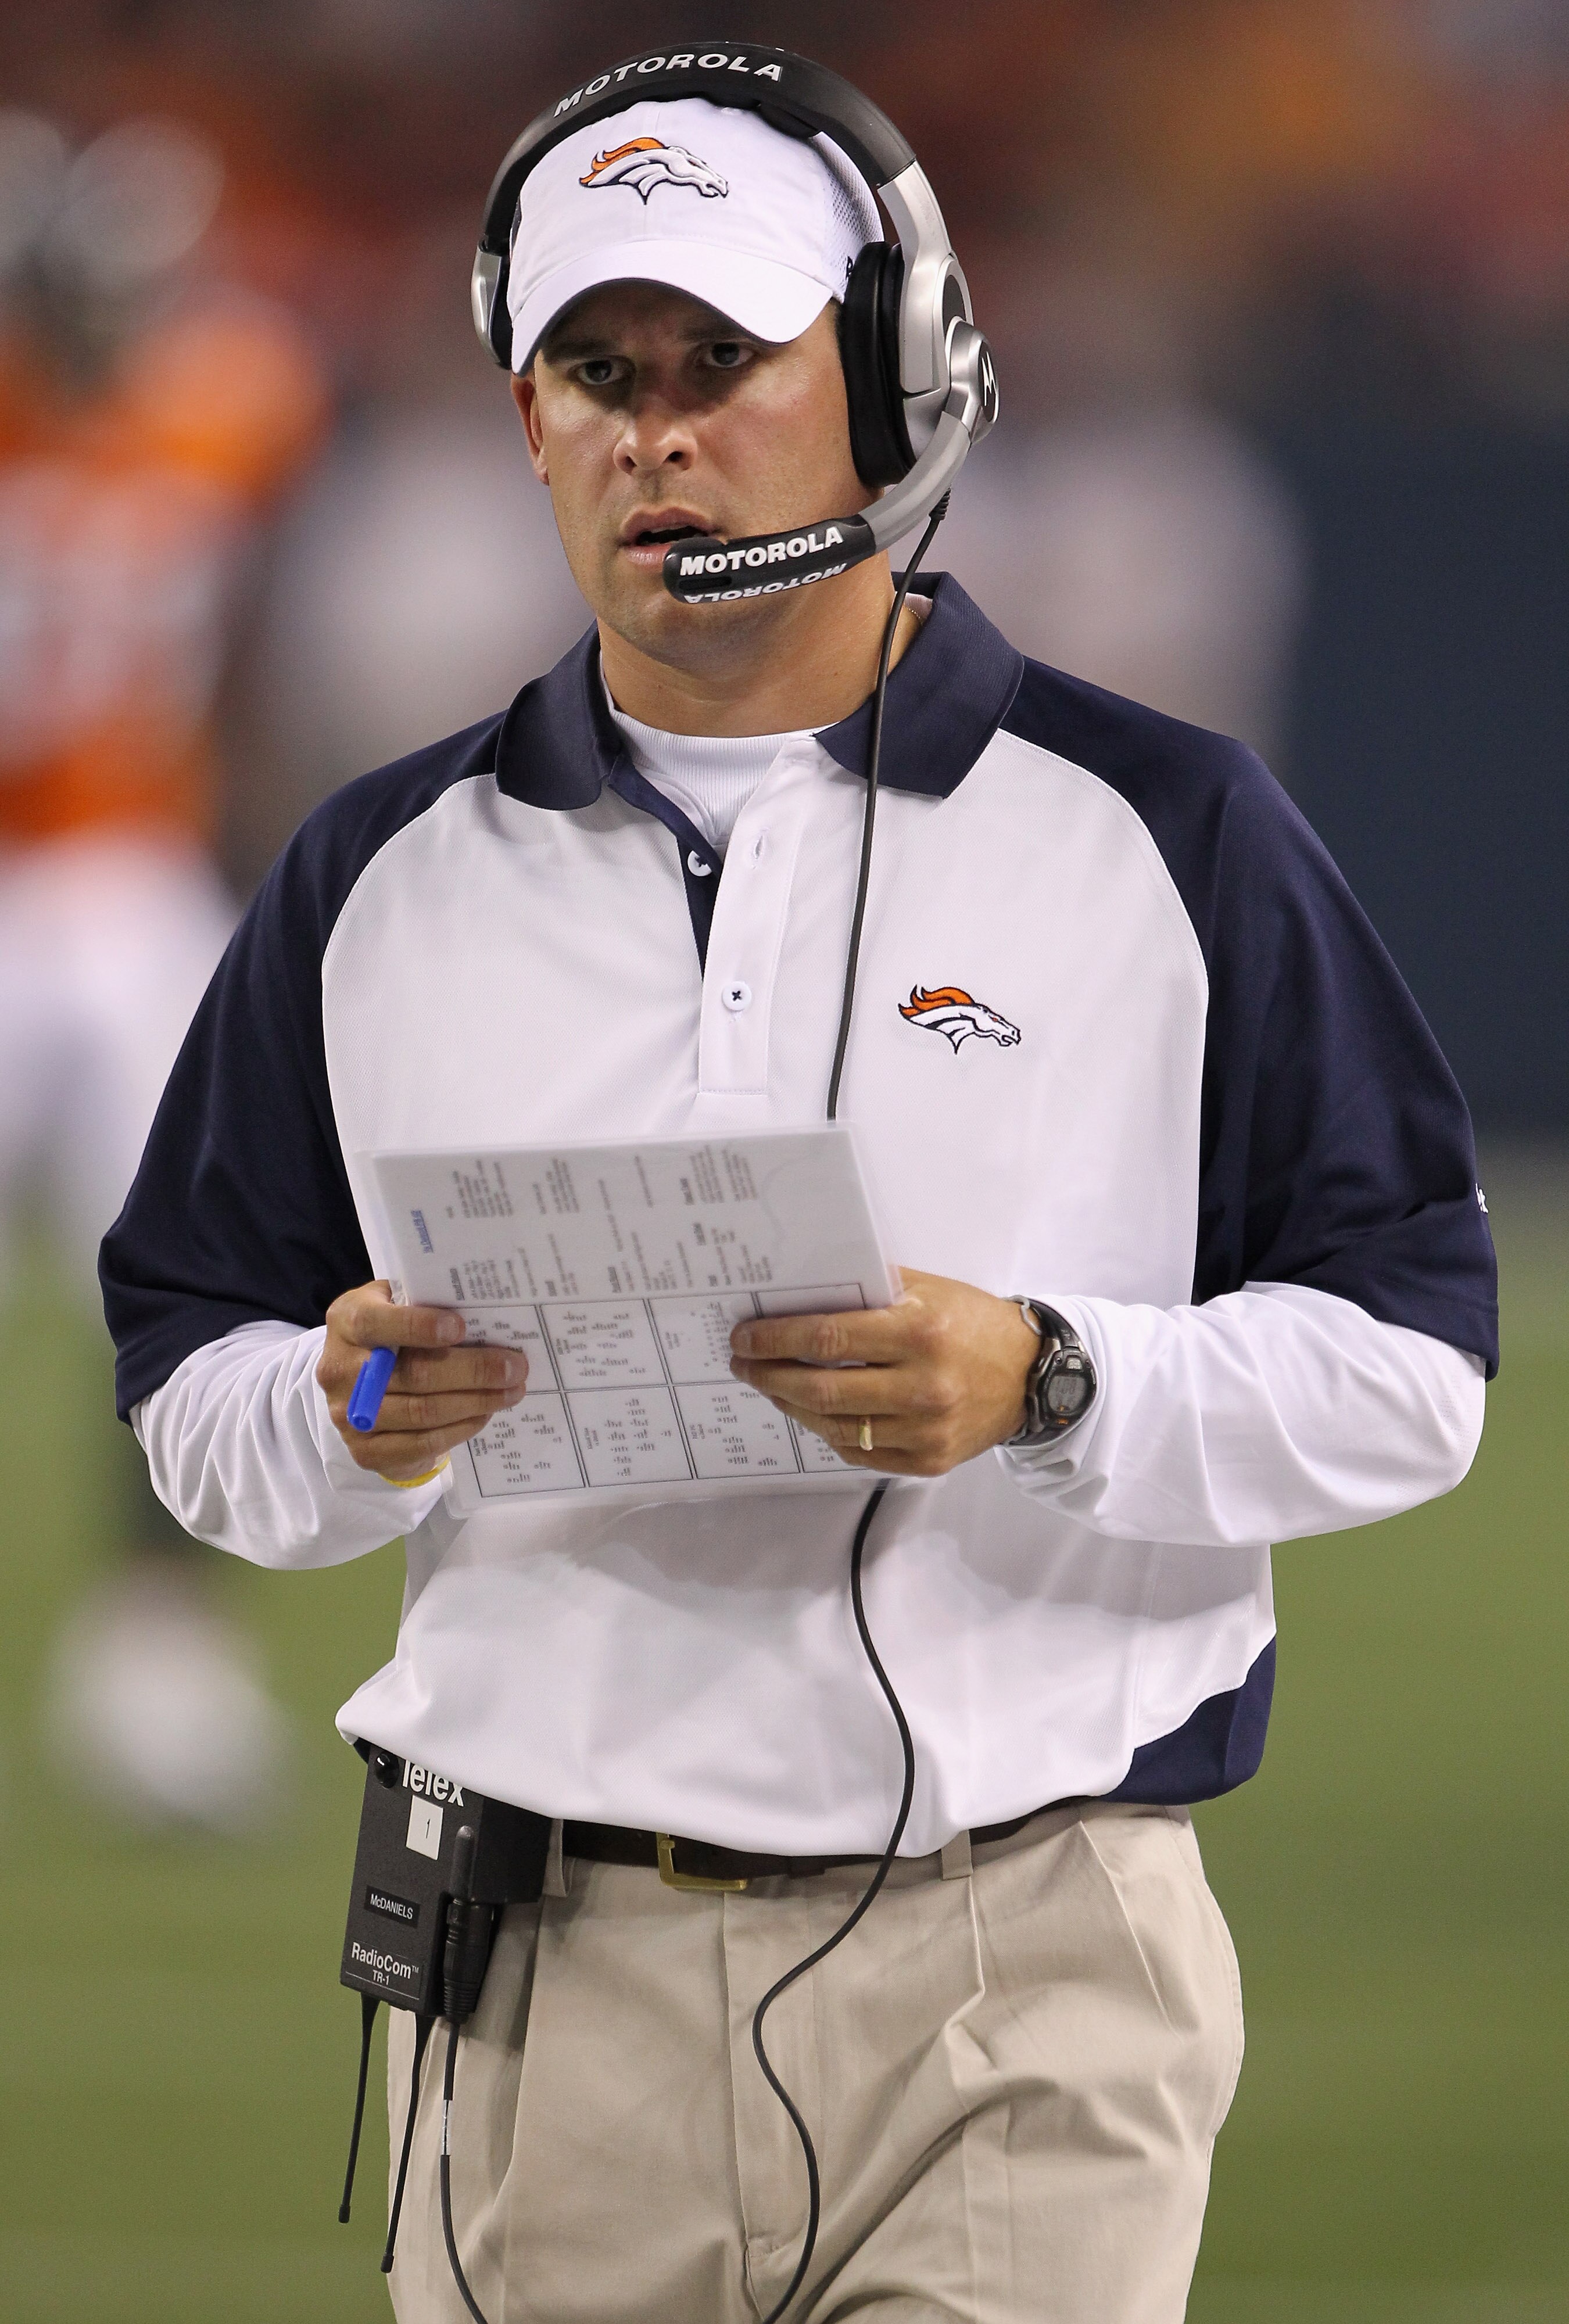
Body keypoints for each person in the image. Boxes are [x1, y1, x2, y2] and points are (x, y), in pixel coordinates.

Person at [101, 52, 1496, 2324]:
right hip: (535, 1993)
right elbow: (200, 1390)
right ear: (528, 423)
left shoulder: (1174, 835)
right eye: (598, 371)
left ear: (895, 375)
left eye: (723, 362)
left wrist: (1048, 1382)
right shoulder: (373, 879)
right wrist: (348, 1423)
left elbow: (1413, 1369)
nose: (657, 430)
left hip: (1020, 1974)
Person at [0, 110, 327, 1828]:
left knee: (191, 1286)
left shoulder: (232, 404)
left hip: (129, 877)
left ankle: (155, 1658)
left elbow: (258, 635)